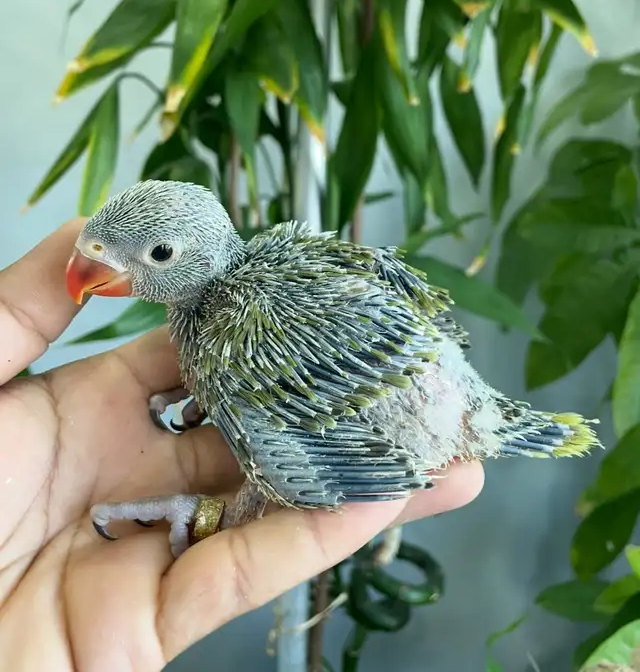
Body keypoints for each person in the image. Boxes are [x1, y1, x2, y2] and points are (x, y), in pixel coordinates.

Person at [0, 220, 484, 670]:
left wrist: (212, 514)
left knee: (281, 464)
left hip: (419, 409)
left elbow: (293, 460)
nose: (96, 265)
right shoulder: (233, 301)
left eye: (160, 253)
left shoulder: (233, 337)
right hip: (414, 366)